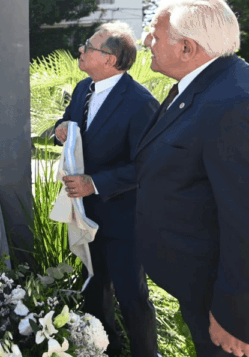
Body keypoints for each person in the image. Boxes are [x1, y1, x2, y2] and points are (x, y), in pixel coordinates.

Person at [136, 0, 249, 357]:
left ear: (187, 48)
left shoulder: (238, 102)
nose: (147, 41)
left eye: (155, 35)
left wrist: (236, 318)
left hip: (231, 307)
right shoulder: (209, 85)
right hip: (208, 289)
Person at [53, 22, 159, 357]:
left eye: (88, 46)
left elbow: (147, 165)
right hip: (86, 216)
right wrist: (59, 128)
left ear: (110, 60)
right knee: (95, 294)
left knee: (132, 298)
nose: (81, 49)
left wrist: (94, 183)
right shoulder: (83, 87)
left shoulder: (140, 103)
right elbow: (68, 124)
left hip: (123, 220)